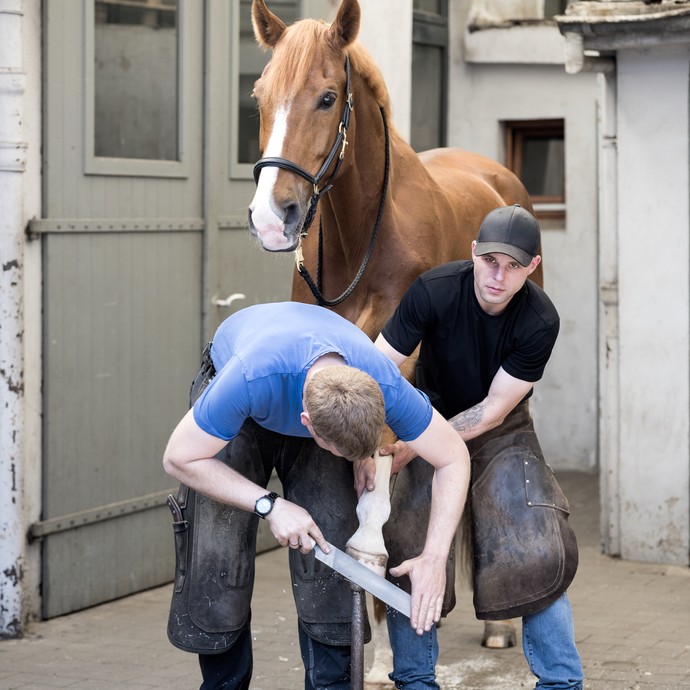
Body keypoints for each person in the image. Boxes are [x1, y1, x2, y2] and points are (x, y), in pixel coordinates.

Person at [162, 301, 470, 690]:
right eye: (337, 449)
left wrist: (434, 557)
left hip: (309, 389)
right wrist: (269, 505)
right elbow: (177, 458)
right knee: (219, 551)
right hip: (247, 399)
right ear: (307, 426)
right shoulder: (247, 377)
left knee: (332, 533)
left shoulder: (383, 380)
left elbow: (454, 457)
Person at [375, 205, 583, 689]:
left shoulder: (540, 319)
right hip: (427, 416)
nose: (498, 275)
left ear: (532, 267)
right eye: (490, 260)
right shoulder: (432, 290)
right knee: (407, 540)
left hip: (502, 428)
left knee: (535, 543)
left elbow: (492, 409)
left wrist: (416, 447)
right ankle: (415, 680)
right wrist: (383, 442)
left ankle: (561, 683)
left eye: (513, 265)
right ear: (473, 253)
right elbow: (379, 368)